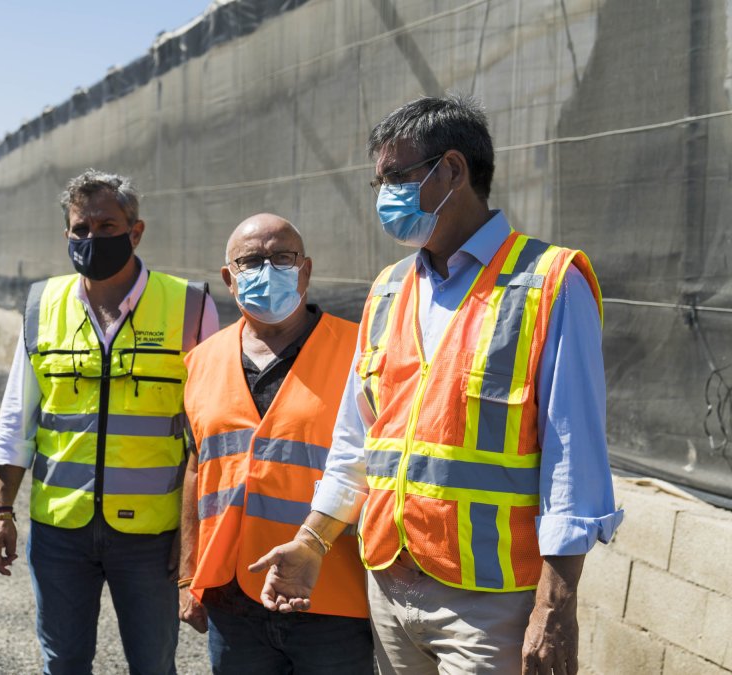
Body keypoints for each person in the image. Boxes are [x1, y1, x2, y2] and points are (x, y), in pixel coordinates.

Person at [248, 95, 623, 675]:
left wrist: (555, 605)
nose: (384, 197)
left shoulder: (549, 283)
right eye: (378, 182)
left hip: (488, 604)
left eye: (396, 176)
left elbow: (574, 463)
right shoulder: (390, 288)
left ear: (452, 170)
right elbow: (359, 441)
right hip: (390, 590)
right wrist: (313, 541)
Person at [0, 169, 219, 675]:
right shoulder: (43, 306)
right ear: (67, 234)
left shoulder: (191, 306)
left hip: (153, 539)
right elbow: (16, 419)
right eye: (80, 229)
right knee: (63, 662)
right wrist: (1, 513)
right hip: (59, 533)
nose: (92, 238)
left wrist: (193, 536)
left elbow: (209, 434)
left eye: (107, 226)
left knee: (153, 665)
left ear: (136, 231)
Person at [178, 214, 373, 674]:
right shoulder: (201, 361)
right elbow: (194, 469)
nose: (268, 270)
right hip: (233, 598)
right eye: (251, 261)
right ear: (229, 278)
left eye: (282, 257)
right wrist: (190, 575)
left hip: (334, 597)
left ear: (305, 270)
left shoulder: (359, 353)